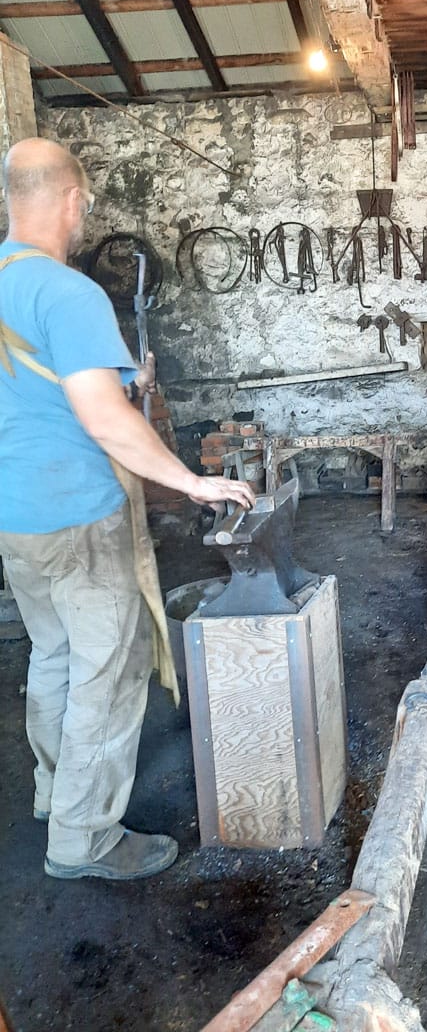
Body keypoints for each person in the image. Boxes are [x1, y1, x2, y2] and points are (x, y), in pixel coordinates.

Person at [0, 138, 255, 881]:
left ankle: (54, 794)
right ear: (73, 201)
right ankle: (85, 840)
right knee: (108, 675)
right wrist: (195, 483)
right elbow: (105, 419)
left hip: (17, 519)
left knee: (53, 658)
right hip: (80, 515)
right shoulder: (67, 293)